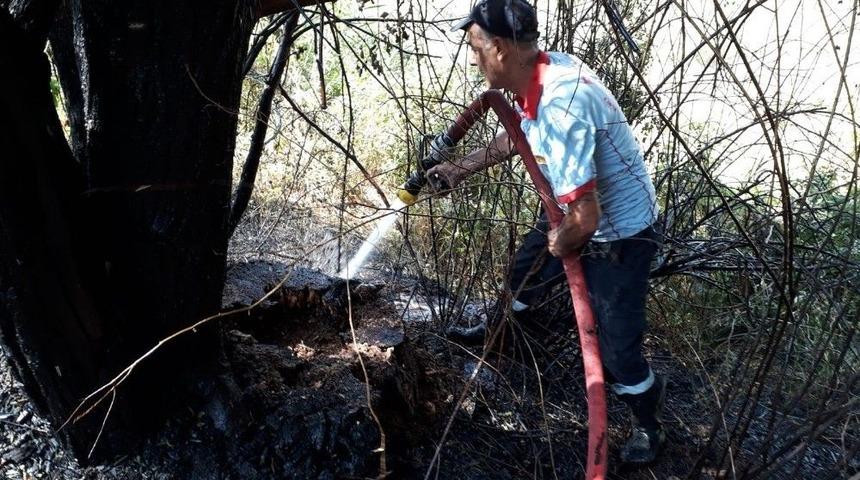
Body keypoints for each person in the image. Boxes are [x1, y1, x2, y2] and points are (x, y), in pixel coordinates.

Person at [428, 0, 666, 465]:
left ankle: (648, 424)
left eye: (475, 48)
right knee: (521, 276)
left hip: (616, 233)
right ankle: (499, 332)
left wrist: (561, 244)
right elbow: (522, 135)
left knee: (618, 350)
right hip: (571, 207)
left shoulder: (563, 102)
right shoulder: (540, 72)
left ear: (498, 48)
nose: (473, 59)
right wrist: (461, 167)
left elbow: (587, 220)